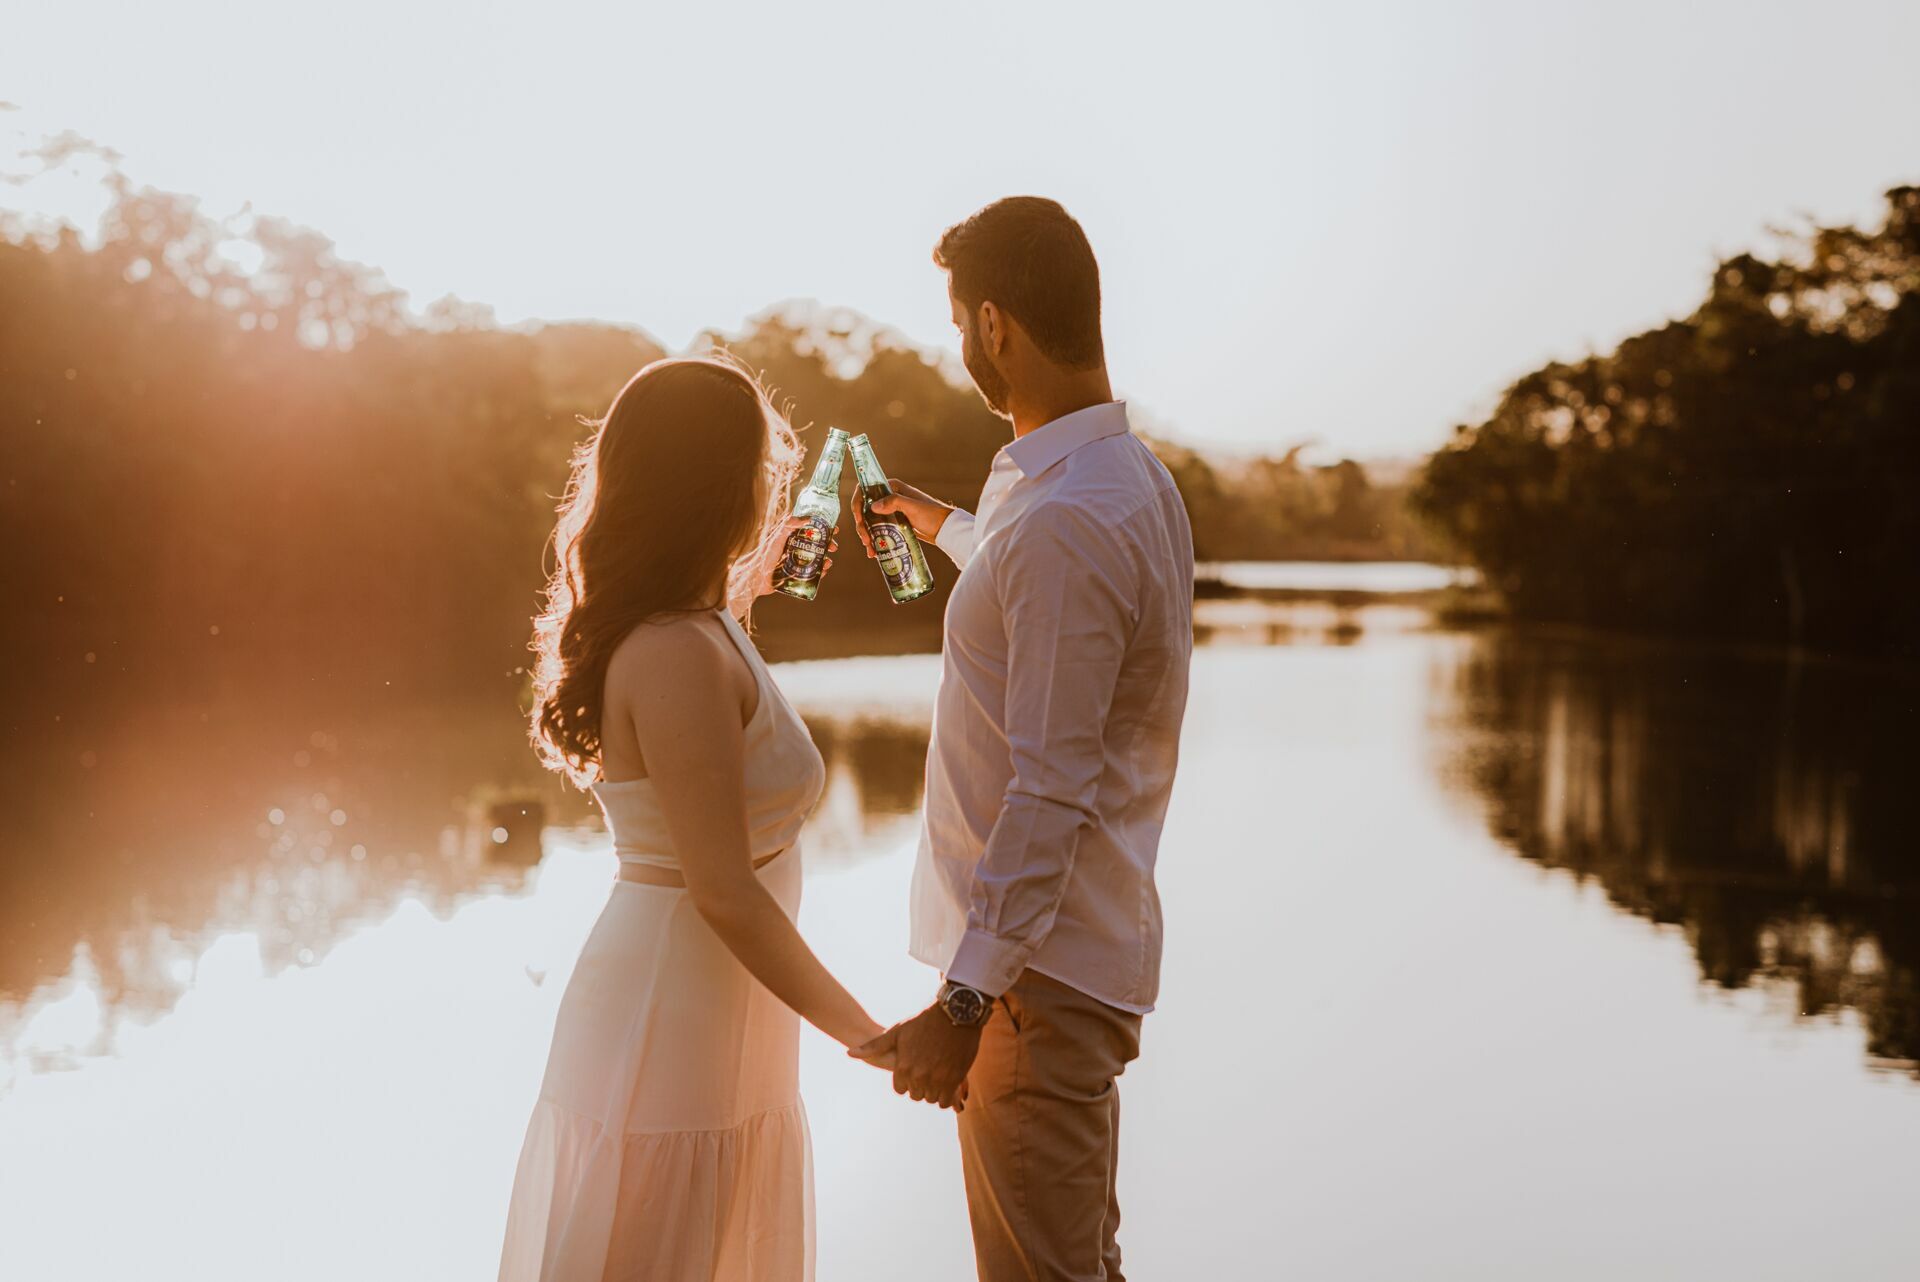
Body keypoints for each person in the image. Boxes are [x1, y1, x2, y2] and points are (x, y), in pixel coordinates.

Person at [852, 198, 1195, 1281]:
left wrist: (962, 1003)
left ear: (995, 324)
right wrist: (938, 521)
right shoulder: (1120, 484)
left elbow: (1050, 787)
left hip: (1028, 991)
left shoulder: (1062, 521)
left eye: (960, 325)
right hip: (1060, 976)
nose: (962, 348)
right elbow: (1041, 603)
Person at [498, 356, 881, 1282]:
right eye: (761, 468)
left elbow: (713, 654)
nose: (770, 482)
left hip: (724, 1016)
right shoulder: (673, 651)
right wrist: (872, 1036)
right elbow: (722, 891)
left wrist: (755, 576)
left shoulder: (702, 626)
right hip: (668, 1015)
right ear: (719, 483)